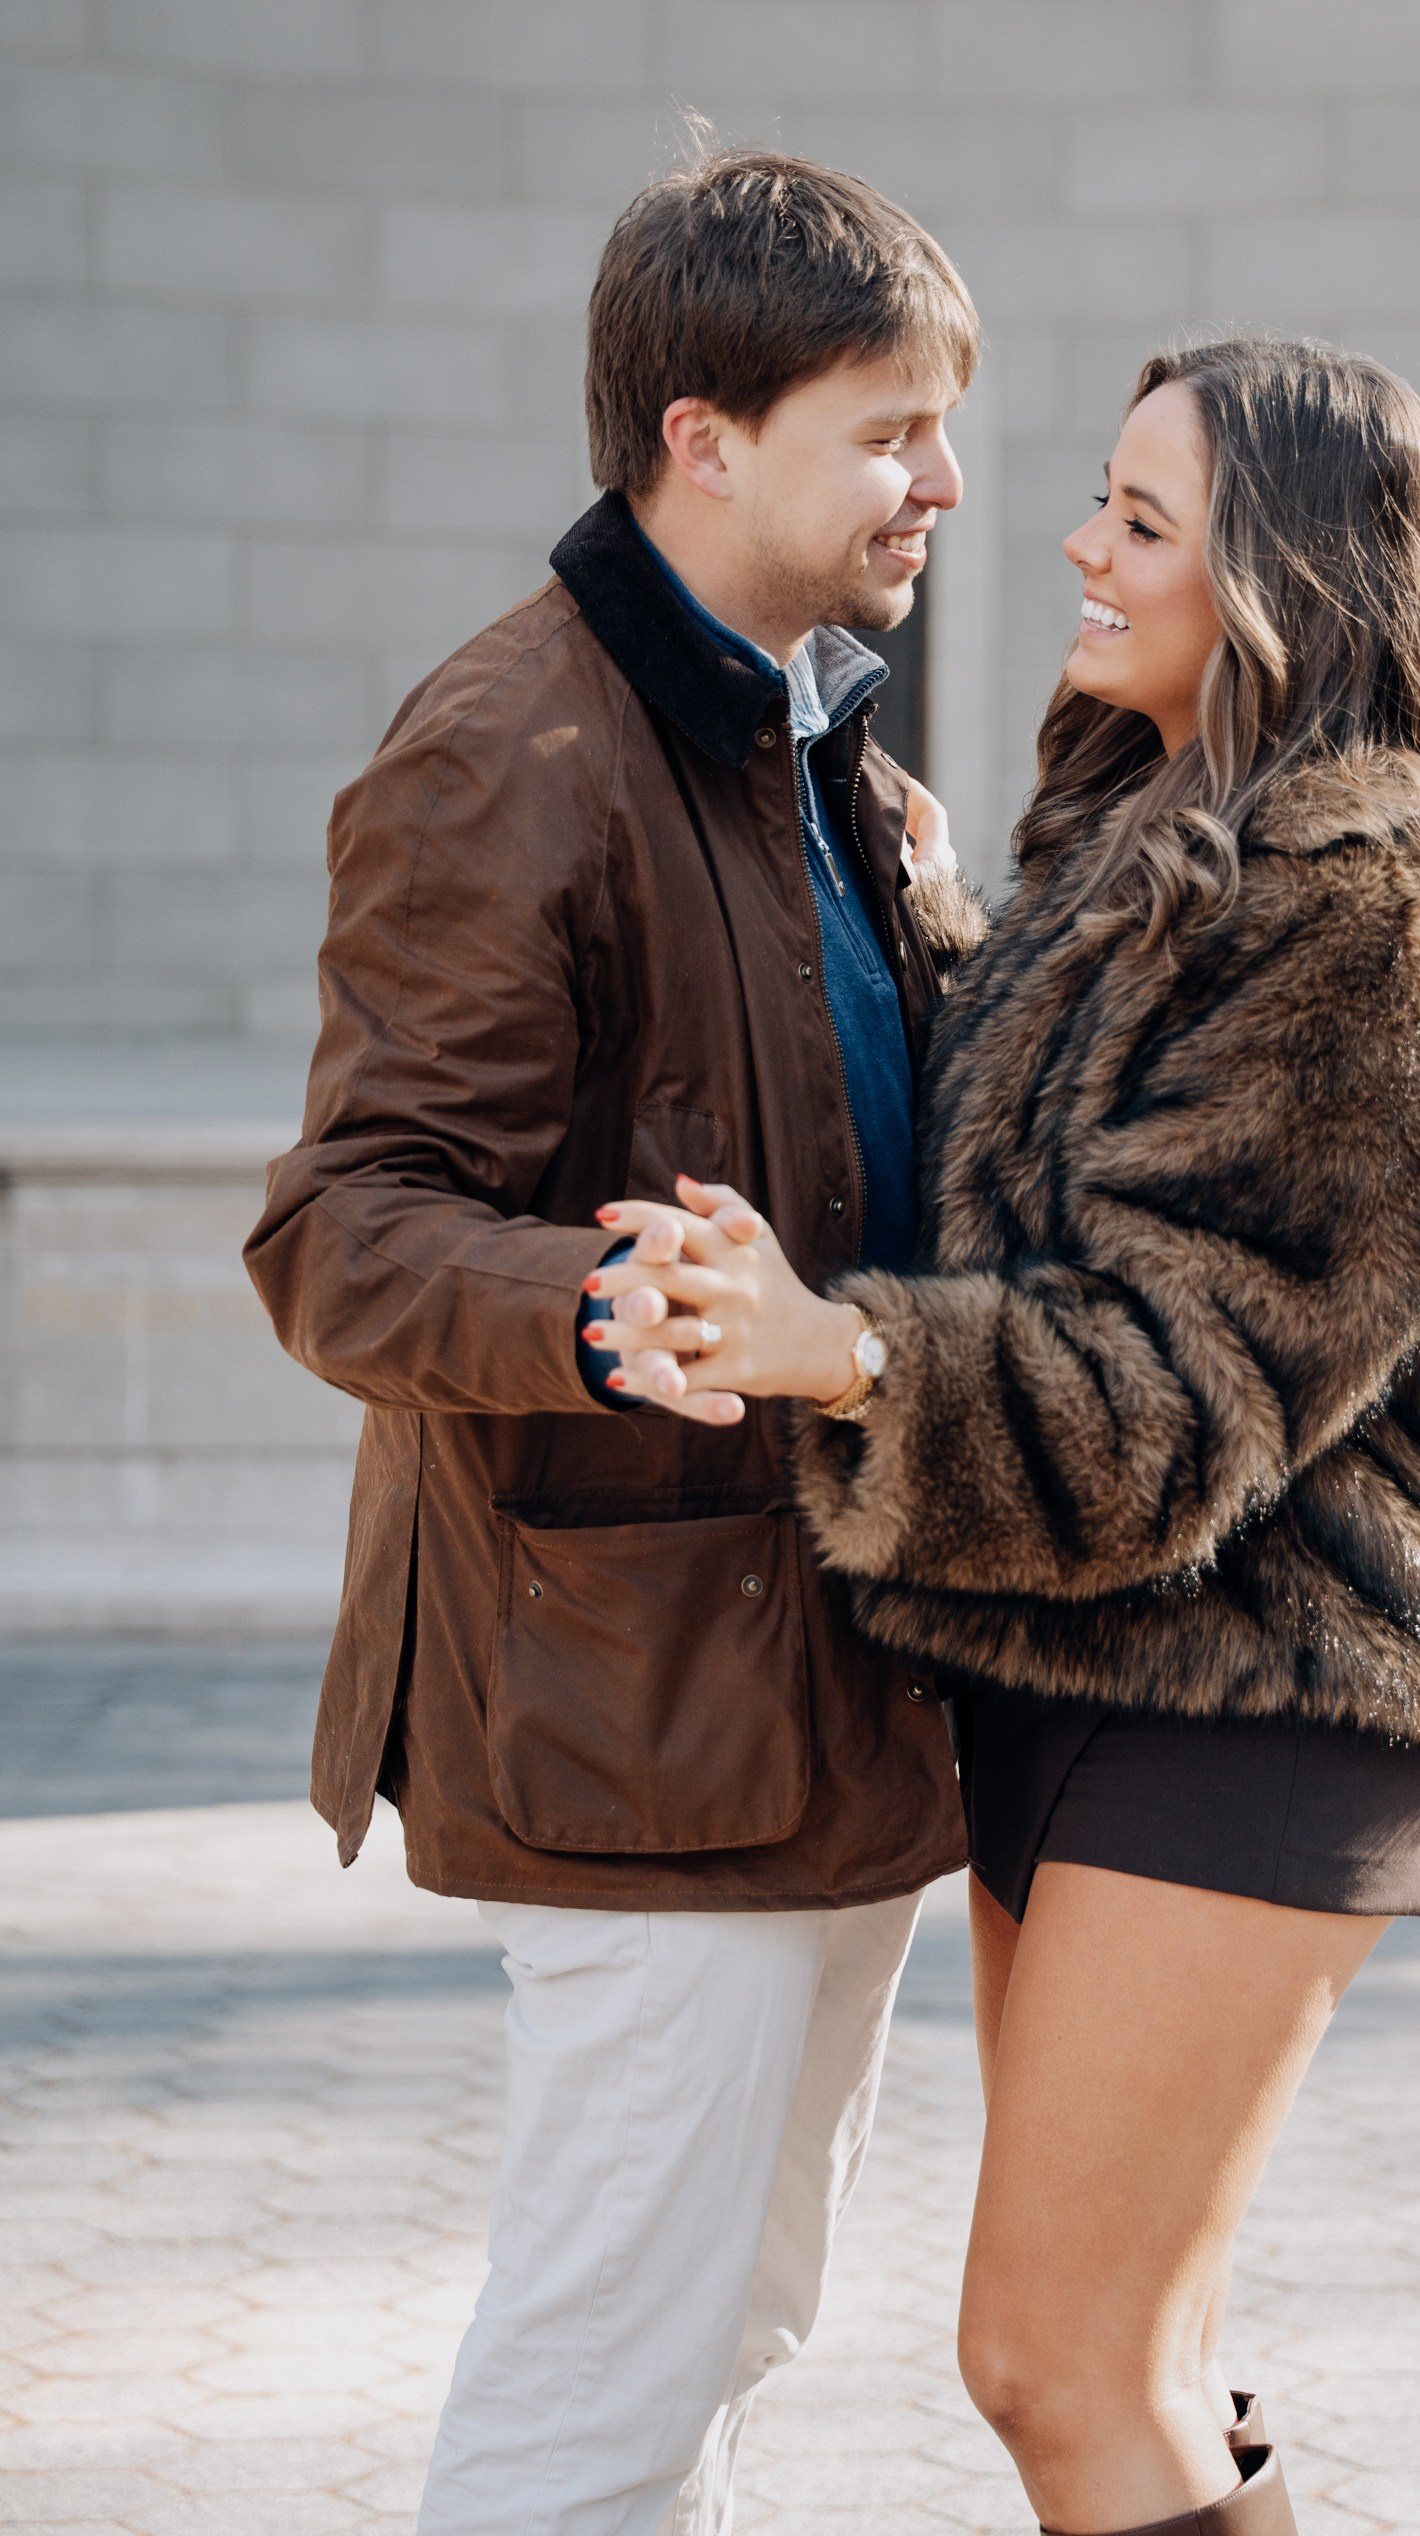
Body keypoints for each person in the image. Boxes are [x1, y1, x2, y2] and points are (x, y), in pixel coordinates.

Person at [588, 337, 1420, 2536]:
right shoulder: (1144, 855)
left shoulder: (1369, 936)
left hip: (1273, 1681)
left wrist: (834, 1357)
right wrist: (940, 937)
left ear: (1290, 591)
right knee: (1131, 2358)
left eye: (1142, 520)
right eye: (1101, 500)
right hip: (1083, 1652)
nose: (1071, 542)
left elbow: (1165, 1392)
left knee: (1051, 2357)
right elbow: (1075, 1193)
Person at [245, 148, 990, 2536]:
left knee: (727, 2332)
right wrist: (596, 1299)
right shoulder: (511, 751)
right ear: (703, 437)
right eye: (889, 427)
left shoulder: (834, 768)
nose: (942, 481)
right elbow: (338, 1234)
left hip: (837, 1704)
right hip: (634, 1727)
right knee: (598, 2383)